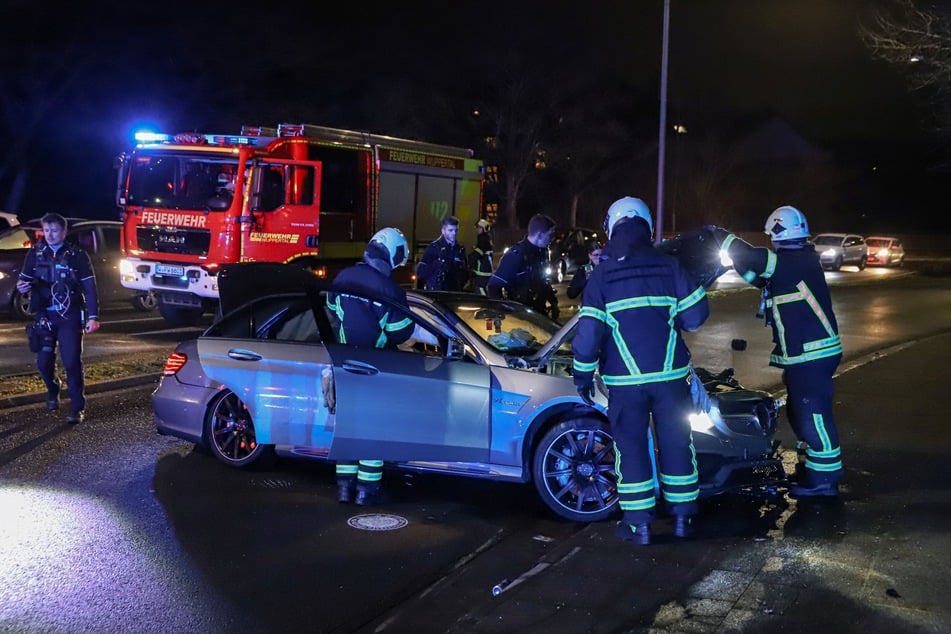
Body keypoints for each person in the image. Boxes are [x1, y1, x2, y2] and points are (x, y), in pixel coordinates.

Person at [572, 196, 709, 545]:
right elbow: (695, 318)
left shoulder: (602, 275)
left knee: (630, 447)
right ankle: (682, 519)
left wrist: (582, 375)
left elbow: (588, 335)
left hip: (625, 382)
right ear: (647, 226)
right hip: (670, 378)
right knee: (677, 442)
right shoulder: (670, 267)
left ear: (611, 227)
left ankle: (639, 525)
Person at [711, 206, 843, 498]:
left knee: (812, 415)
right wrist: (732, 262)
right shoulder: (795, 261)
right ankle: (813, 470)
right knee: (800, 413)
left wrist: (721, 237)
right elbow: (757, 274)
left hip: (813, 355)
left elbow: (755, 258)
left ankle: (825, 480)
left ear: (776, 234)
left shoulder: (793, 261)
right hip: (806, 355)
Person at [326, 227, 415, 504]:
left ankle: (344, 488)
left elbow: (333, 311)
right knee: (373, 429)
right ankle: (367, 490)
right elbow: (402, 332)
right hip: (375, 367)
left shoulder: (342, 278)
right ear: (391, 253)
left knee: (349, 427)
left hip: (344, 365)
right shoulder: (389, 290)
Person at [17, 213, 100, 424]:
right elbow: (23, 281)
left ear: (63, 231)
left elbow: (90, 288)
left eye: (54, 230)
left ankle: (76, 407)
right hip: (45, 316)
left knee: (72, 362)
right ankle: (53, 389)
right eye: (46, 230)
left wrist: (93, 316)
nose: (50, 234)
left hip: (70, 317)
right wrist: (22, 286)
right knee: (43, 362)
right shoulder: (35, 254)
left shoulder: (77, 255)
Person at [487, 213, 559, 318]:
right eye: (549, 235)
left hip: (538, 313)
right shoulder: (516, 255)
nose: (551, 239)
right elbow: (493, 286)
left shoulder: (542, 253)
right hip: (520, 315)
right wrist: (505, 311)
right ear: (539, 235)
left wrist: (553, 302)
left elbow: (543, 281)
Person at [415, 215, 469, 291]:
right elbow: (421, 273)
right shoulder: (434, 248)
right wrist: (439, 263)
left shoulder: (460, 249)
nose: (454, 233)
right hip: (437, 292)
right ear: (443, 231)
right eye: (450, 230)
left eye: (456, 230)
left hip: (454, 292)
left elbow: (465, 272)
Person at [469, 218, 495, 295]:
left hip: (482, 270)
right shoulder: (487, 237)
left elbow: (478, 253)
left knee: (480, 288)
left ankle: (485, 303)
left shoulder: (483, 238)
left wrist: (469, 260)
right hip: (485, 268)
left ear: (483, 228)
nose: (477, 229)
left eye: (478, 227)